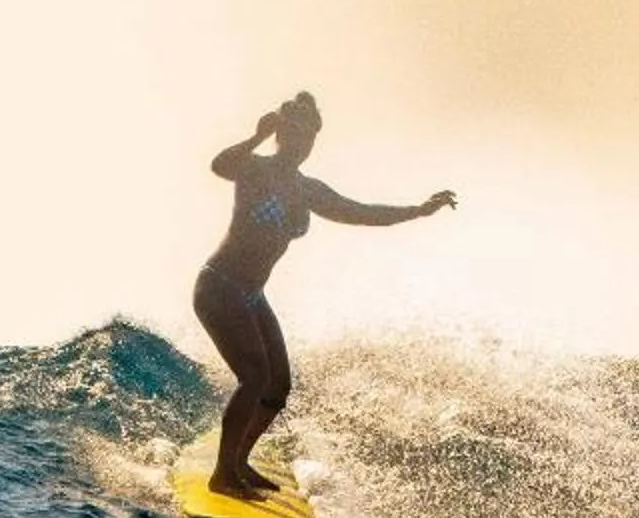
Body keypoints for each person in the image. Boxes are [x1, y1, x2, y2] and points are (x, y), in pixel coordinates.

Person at [193, 92, 453, 497]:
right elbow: (218, 165)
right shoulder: (254, 169)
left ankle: (239, 461)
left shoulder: (306, 190)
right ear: (281, 133)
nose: (302, 144)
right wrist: (256, 136)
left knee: (277, 386)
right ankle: (223, 474)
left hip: (252, 295)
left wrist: (417, 210)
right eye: (295, 134)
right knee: (254, 377)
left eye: (310, 137)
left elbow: (361, 212)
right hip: (220, 287)